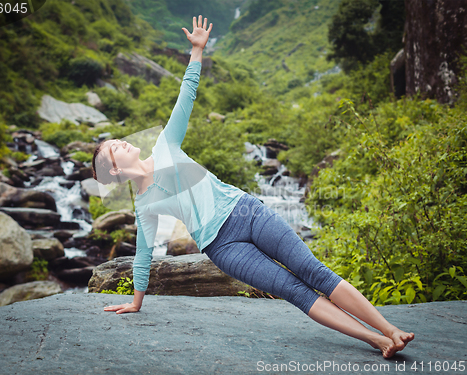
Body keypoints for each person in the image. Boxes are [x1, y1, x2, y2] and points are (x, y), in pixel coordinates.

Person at [91, 16, 414, 359]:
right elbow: (143, 255)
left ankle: (390, 329)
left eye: (118, 140)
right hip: (223, 247)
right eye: (114, 148)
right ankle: (376, 340)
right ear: (114, 169)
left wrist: (197, 51)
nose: (123, 143)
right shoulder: (144, 204)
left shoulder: (164, 145)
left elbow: (187, 95)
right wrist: (136, 303)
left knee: (314, 272)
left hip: (247, 211)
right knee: (295, 291)